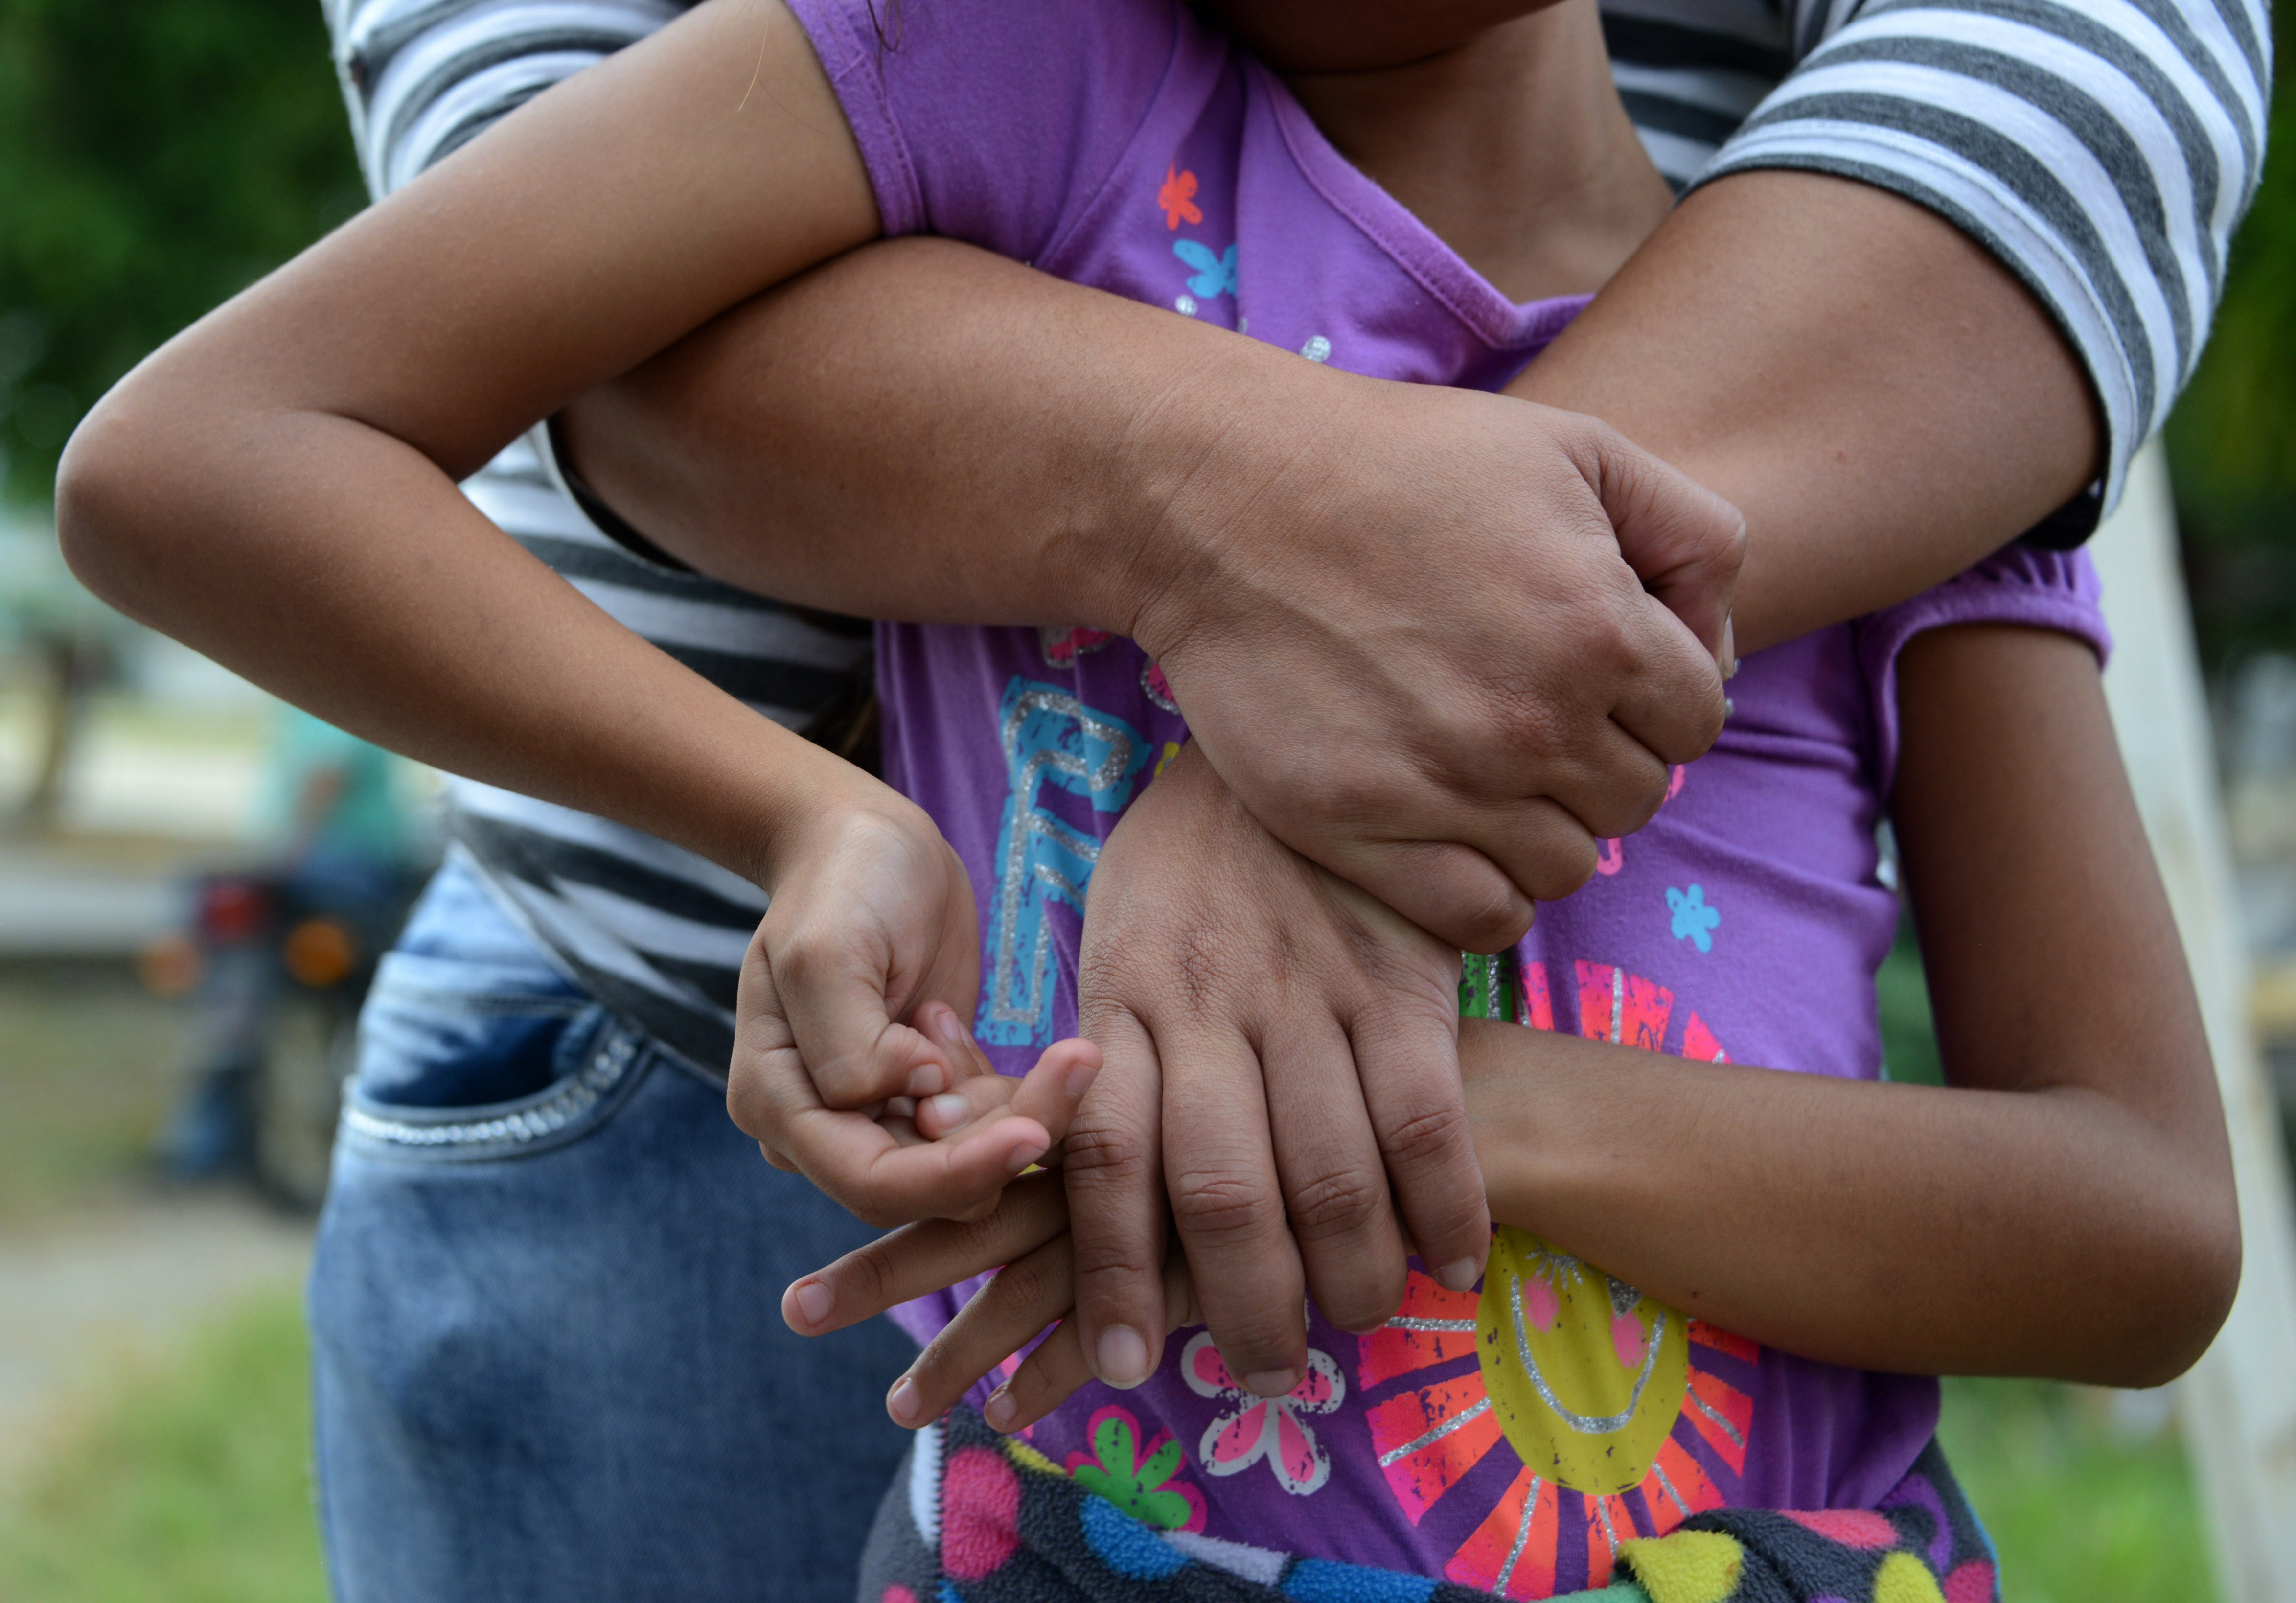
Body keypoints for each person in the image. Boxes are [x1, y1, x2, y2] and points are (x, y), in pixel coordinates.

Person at [51, 0, 2261, 1596]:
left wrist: (1441, 1120)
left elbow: (2142, 1231)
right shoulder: (1001, 83)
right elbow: (205, 458)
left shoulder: (1910, 412)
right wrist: (809, 823)